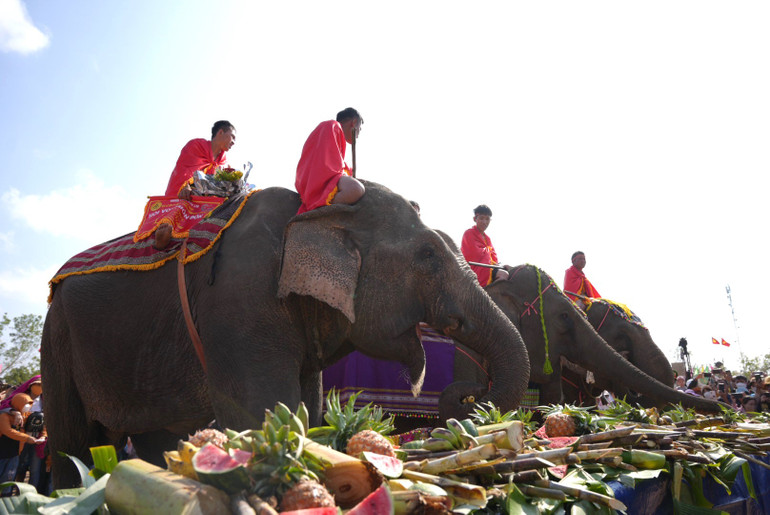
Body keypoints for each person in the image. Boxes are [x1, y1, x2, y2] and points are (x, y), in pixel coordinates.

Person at [154, 121, 237, 249]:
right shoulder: (196, 145)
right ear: (221, 132)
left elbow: (216, 184)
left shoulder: (223, 160)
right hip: (184, 192)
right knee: (182, 202)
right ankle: (162, 234)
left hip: (204, 198)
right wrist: (185, 186)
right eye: (232, 137)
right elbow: (184, 171)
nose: (233, 142)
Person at [295, 108, 365, 215]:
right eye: (359, 129)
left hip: (317, 176)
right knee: (356, 189)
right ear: (354, 122)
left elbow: (333, 159)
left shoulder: (332, 130)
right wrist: (346, 174)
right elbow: (327, 162)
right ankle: (318, 207)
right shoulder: (332, 126)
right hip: (318, 179)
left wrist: (348, 172)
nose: (358, 135)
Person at [0, 394, 43, 495]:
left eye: (29, 404)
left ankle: (6, 501)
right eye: (25, 404)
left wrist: (42, 436)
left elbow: (40, 425)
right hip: (2, 454)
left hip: (14, 454)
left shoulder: (25, 416)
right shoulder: (4, 416)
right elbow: (8, 431)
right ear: (18, 403)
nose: (27, 407)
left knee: (9, 479)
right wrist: (27, 438)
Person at [461, 205, 509, 287]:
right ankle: (488, 296)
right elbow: (474, 253)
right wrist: (488, 254)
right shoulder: (468, 233)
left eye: (487, 219)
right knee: (503, 275)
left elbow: (492, 256)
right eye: (481, 218)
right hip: (475, 268)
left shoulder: (487, 238)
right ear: (475, 219)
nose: (484, 222)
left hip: (488, 266)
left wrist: (499, 265)